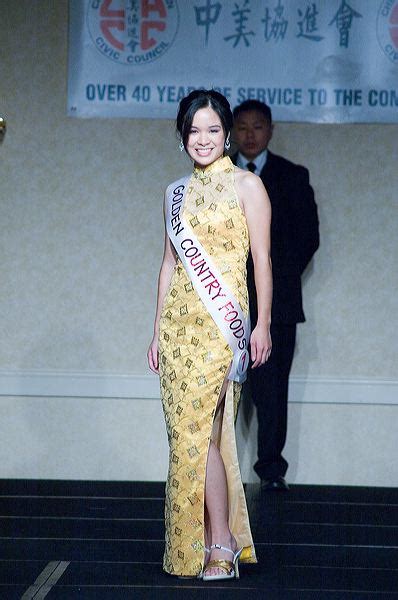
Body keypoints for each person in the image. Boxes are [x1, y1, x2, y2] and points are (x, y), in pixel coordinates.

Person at [147, 90, 272, 580]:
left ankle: (220, 541)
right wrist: (157, 331)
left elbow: (261, 259)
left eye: (213, 130)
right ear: (183, 136)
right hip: (179, 330)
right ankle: (201, 542)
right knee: (187, 438)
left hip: (223, 330)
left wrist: (261, 324)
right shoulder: (174, 193)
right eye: (194, 130)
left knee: (208, 434)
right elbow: (167, 266)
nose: (203, 139)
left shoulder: (246, 186)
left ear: (227, 136)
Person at [232, 100, 319, 491]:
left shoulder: (292, 176)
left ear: (270, 130)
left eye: (258, 127)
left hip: (279, 305)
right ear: (232, 130)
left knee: (272, 391)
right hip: (225, 303)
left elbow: (307, 239)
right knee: (221, 391)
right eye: (243, 127)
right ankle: (216, 474)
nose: (250, 135)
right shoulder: (219, 175)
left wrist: (270, 280)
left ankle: (271, 472)